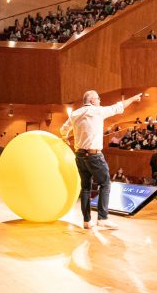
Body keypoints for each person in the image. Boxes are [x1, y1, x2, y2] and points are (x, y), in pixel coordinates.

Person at [61, 90, 143, 229]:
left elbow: (63, 129)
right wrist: (134, 98)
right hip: (94, 155)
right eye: (98, 99)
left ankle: (86, 221)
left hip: (79, 155)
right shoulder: (97, 111)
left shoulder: (74, 114)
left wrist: (64, 138)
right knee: (105, 183)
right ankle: (103, 218)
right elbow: (119, 106)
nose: (100, 101)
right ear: (92, 101)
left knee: (85, 187)